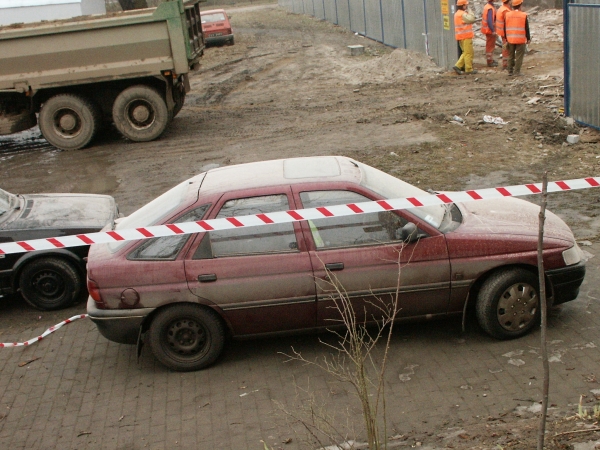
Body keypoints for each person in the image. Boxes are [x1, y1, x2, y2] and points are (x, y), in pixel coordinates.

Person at [504, 0, 530, 77]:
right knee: (519, 56)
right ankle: (517, 72)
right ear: (520, 5)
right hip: (520, 39)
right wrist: (528, 38)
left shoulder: (507, 14)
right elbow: (526, 28)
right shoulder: (523, 15)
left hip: (510, 39)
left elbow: (505, 27)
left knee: (510, 55)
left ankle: (510, 71)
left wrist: (506, 38)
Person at [452, 0, 477, 75]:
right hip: (466, 36)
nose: (466, 6)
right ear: (463, 5)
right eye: (466, 5)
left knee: (466, 52)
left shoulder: (457, 14)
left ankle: (458, 66)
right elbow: (472, 19)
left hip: (461, 36)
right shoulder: (462, 14)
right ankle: (468, 69)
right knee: (468, 53)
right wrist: (470, 11)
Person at [495, 0, 512, 70]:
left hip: (502, 32)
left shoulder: (501, 9)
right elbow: (508, 23)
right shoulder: (506, 11)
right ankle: (506, 64)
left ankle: (506, 63)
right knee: (507, 48)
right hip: (506, 33)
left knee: (505, 47)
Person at [482, 0, 498, 67]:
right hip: (489, 30)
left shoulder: (487, 6)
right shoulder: (490, 8)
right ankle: (490, 61)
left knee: (490, 45)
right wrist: (493, 30)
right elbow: (490, 21)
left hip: (488, 30)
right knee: (490, 46)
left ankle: (490, 59)